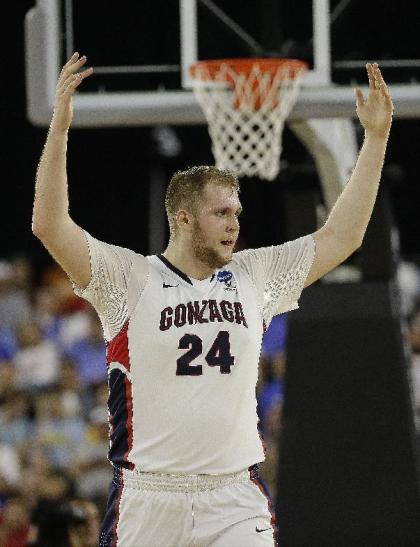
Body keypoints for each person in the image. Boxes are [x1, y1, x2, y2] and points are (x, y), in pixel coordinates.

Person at [32, 53, 393, 546]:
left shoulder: (255, 274)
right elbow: (49, 226)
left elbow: (342, 236)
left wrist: (375, 140)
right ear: (183, 218)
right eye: (221, 212)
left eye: (237, 212)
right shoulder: (129, 278)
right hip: (148, 499)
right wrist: (59, 131)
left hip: (233, 498)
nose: (234, 223)